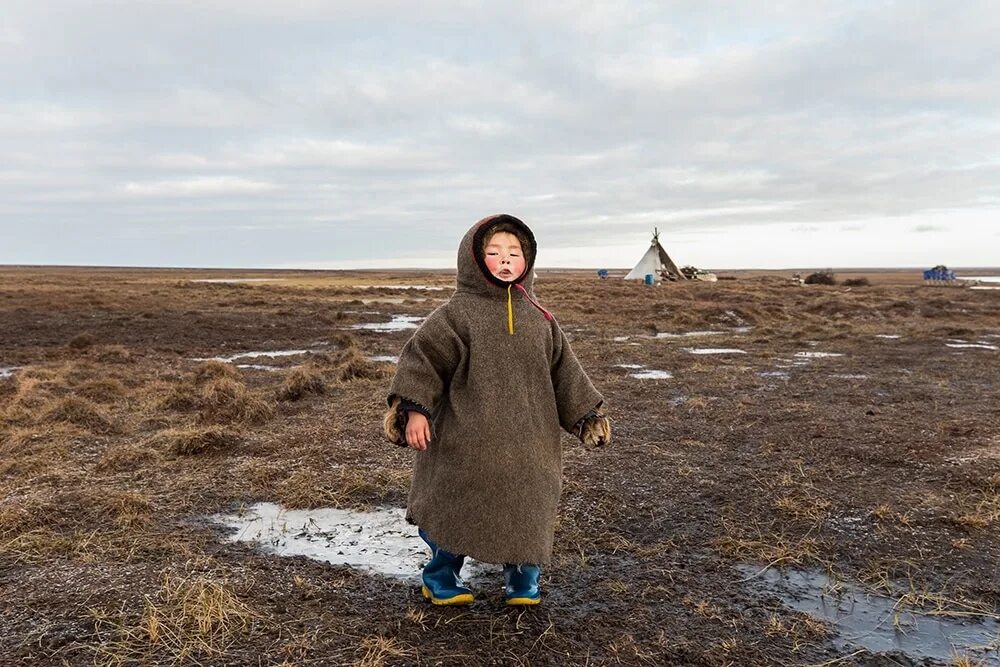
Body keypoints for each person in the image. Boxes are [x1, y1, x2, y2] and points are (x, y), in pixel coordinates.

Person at [383, 214, 610, 606]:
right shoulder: (456, 315)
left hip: (531, 442)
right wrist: (414, 409)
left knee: (529, 504)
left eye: (514, 252)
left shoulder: (542, 320)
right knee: (456, 501)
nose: (505, 260)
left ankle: (523, 578)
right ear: (473, 259)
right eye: (493, 252)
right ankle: (440, 575)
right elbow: (424, 361)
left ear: (528, 259)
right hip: (467, 437)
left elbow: (564, 373)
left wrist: (586, 415)